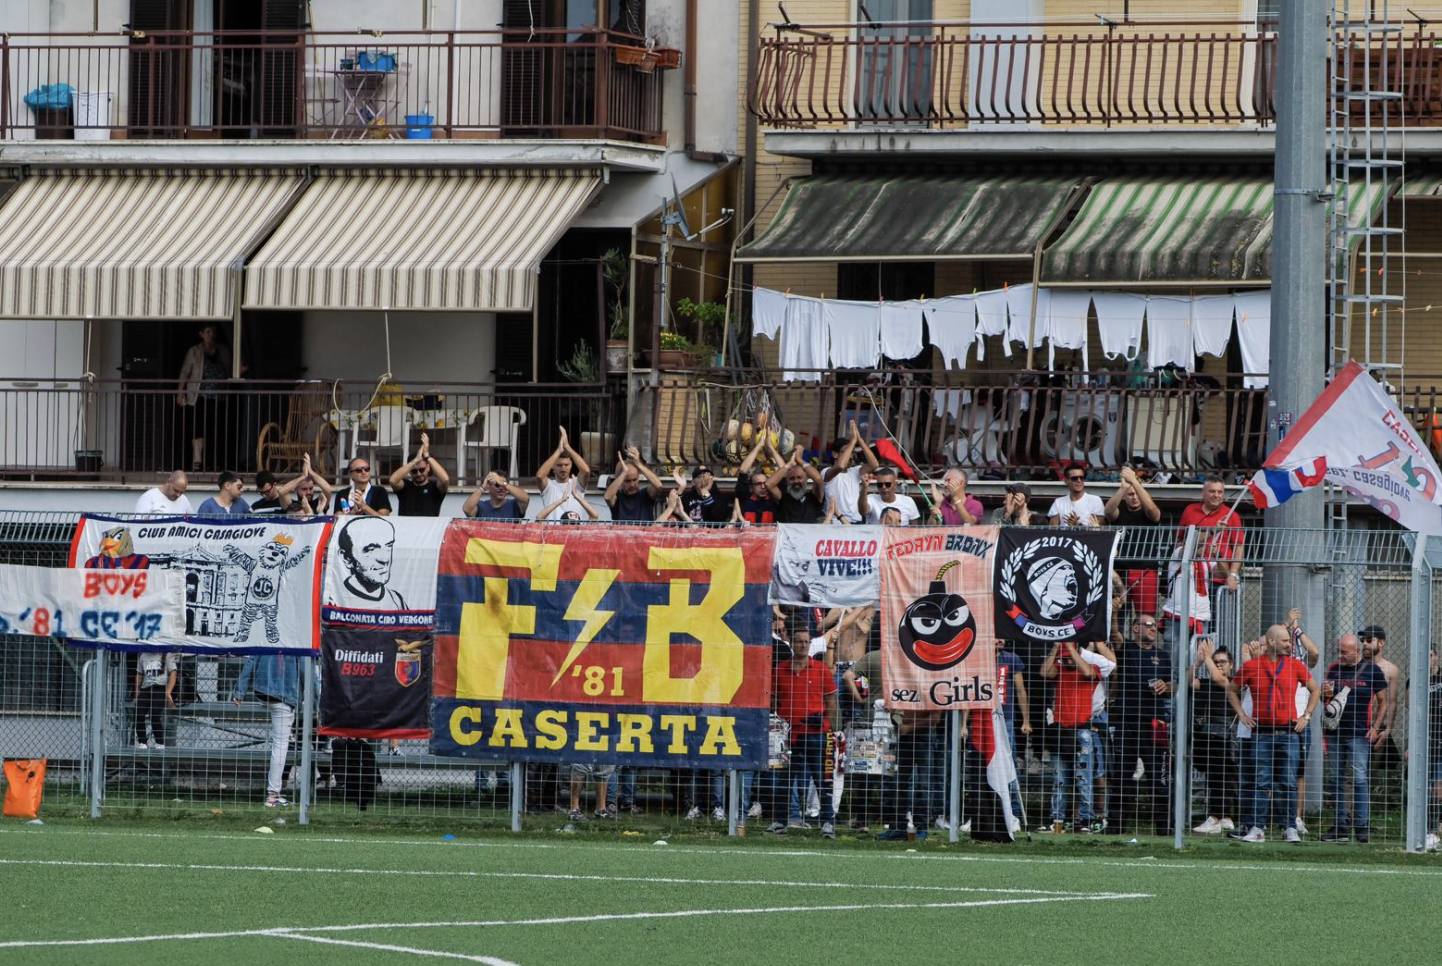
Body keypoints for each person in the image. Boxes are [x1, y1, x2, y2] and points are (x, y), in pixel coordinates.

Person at [1199, 625, 1319, 844]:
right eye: (1285, 641)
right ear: (1272, 642)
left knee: (1288, 782)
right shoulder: (1252, 666)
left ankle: (1289, 827)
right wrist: (1242, 714)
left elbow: (1315, 689)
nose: (1289, 644)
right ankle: (1257, 828)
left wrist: (1306, 716)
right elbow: (1232, 689)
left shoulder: (1294, 665)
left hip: (1288, 733)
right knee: (1260, 781)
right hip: (1261, 733)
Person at [766, 621, 839, 839]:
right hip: (789, 735)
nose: (803, 646)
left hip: (818, 733)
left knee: (823, 780)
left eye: (806, 642)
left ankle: (827, 823)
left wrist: (826, 724)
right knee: (784, 781)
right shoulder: (780, 670)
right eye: (799, 642)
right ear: (791, 642)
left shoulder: (821, 669)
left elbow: (831, 701)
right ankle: (780, 821)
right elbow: (773, 700)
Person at [1040, 639, 1115, 833]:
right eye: (1065, 659)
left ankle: (1086, 820)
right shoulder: (1060, 667)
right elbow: (1044, 673)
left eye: (1069, 658)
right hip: (1060, 729)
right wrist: (1057, 648)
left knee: (1083, 778)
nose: (1067, 662)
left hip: (1083, 730)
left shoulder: (1091, 668)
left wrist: (1073, 652)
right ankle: (1056, 822)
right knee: (1060, 779)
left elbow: (1089, 673)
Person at [1320, 633, 1389, 843]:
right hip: (1334, 733)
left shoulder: (1373, 671)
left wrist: (1376, 727)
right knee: (1336, 780)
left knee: (1359, 779)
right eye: (1338, 651)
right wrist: (1325, 694)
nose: (1340, 656)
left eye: (1344, 652)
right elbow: (1328, 699)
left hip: (1359, 734)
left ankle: (1361, 826)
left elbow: (1383, 701)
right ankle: (1339, 825)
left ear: (1356, 651)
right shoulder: (1334, 669)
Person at [1108, 614, 1173, 836]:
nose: (1154, 629)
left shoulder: (1163, 655)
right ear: (1135, 628)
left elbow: (1173, 686)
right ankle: (1116, 825)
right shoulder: (1125, 649)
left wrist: (1166, 685)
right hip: (1127, 721)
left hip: (1155, 722)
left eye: (1155, 626)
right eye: (1149, 625)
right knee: (1122, 775)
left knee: (1159, 776)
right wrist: (1116, 609)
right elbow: (1114, 632)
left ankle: (1164, 827)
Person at [1178, 475, 1243, 649]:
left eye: (1220, 492)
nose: (1216, 495)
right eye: (1212, 491)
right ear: (1203, 493)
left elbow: (1238, 547)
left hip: (1217, 581)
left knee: (1218, 628)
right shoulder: (1190, 511)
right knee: (1188, 627)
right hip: (1193, 580)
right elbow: (1182, 543)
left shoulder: (1232, 515)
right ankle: (1189, 668)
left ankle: (1215, 666)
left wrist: (1233, 575)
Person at [231, 653, 301, 807]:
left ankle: (274, 794)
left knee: (280, 742)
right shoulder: (297, 637)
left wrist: (239, 692)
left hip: (263, 691)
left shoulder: (267, 633)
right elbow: (307, 672)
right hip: (285, 695)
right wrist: (315, 703)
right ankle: (273, 795)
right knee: (281, 745)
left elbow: (251, 661)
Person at [1190, 642, 1239, 835]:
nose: (1219, 665)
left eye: (1223, 662)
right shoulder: (1206, 682)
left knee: (1223, 778)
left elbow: (1221, 681)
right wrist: (1199, 662)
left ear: (1231, 665)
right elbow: (1187, 681)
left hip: (1225, 737)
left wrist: (1208, 657)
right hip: (1207, 736)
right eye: (1216, 661)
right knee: (1214, 778)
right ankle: (1225, 817)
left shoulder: (1232, 682)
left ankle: (1216, 817)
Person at [1105, 466, 1164, 620]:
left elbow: (1154, 512)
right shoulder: (1121, 510)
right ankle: (1120, 644)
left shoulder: (1147, 511)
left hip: (1145, 569)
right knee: (1117, 614)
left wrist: (1135, 482)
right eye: (1130, 495)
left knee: (1145, 616)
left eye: (1137, 494)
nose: (1134, 497)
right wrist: (1123, 489)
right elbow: (1109, 512)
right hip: (1121, 570)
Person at [176, 322, 234, 472]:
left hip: (220, 397)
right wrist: (180, 393)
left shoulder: (223, 350)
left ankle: (214, 462)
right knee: (198, 428)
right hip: (198, 396)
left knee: (216, 429)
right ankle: (197, 460)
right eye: (208, 332)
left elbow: (231, 369)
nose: (211, 335)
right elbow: (185, 372)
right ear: (201, 334)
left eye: (213, 332)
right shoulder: (194, 351)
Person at [335, 516, 407, 609]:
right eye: (371, 549)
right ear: (346, 558)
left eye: (389, 546)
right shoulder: (334, 598)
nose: (385, 559)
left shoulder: (396, 600)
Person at [824, 420, 880, 525]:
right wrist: (853, 441)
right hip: (835, 523)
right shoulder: (826, 472)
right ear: (835, 454)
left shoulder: (854, 471)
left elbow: (874, 465)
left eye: (852, 452)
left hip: (856, 522)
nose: (850, 456)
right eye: (847, 451)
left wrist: (859, 440)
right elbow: (840, 466)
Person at [535, 425, 591, 520]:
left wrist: (567, 447)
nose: (563, 468)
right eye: (559, 465)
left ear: (571, 465)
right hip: (553, 532)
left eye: (566, 465)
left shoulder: (576, 483)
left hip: (576, 532)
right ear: (553, 467)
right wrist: (559, 450)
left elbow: (586, 471)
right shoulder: (549, 486)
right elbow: (540, 476)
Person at [388, 432, 449, 517]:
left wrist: (427, 456)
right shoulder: (405, 486)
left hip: (429, 529)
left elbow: (445, 479)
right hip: (406, 528)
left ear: (428, 468)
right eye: (414, 471)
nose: (418, 473)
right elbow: (393, 480)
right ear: (409, 471)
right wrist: (415, 460)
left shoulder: (435, 486)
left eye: (422, 470)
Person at [604, 447, 665, 523]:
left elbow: (658, 486)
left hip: (643, 534)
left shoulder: (645, 494)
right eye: (628, 481)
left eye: (634, 480)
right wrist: (624, 473)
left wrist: (638, 464)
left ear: (638, 478)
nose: (632, 484)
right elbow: (607, 497)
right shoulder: (618, 498)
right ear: (621, 481)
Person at [132, 651, 177, 750]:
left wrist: (168, 691)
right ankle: (142, 741)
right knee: (138, 713)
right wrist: (137, 692)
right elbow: (139, 674)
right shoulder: (143, 655)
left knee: (155, 714)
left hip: (159, 688)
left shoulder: (167, 655)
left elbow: (173, 673)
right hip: (146, 688)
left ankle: (159, 742)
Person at [767, 447, 825, 524]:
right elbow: (769, 484)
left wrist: (799, 460)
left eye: (799, 477)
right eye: (792, 478)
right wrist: (789, 464)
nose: (796, 481)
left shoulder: (813, 497)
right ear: (787, 480)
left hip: (808, 535)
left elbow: (818, 479)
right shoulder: (783, 497)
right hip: (787, 535)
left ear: (806, 478)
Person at [260, 453, 332, 515]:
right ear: (295, 489)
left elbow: (328, 490)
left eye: (311, 488)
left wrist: (310, 471)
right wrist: (302, 477)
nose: (308, 492)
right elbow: (282, 492)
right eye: (304, 489)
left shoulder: (319, 504)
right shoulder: (291, 505)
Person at [733, 424, 777, 525]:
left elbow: (784, 472)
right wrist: (759, 446)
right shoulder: (745, 499)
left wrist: (770, 447)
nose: (763, 486)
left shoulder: (774, 500)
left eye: (765, 483)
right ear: (751, 487)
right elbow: (743, 470)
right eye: (758, 484)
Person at [464, 471, 530, 519]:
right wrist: (483, 487)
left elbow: (526, 499)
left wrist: (504, 484)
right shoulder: (481, 506)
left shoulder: (514, 505)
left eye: (503, 484)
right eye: (497, 485)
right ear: (489, 487)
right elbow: (467, 510)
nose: (501, 488)